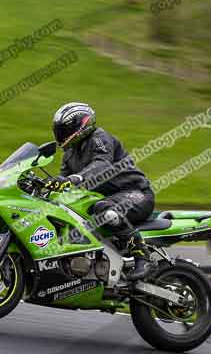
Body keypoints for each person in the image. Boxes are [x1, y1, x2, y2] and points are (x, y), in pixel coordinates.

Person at [49, 102, 155, 281]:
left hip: (136, 194)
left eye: (64, 129)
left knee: (105, 210)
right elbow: (64, 180)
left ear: (81, 125)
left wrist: (77, 179)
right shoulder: (70, 153)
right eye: (59, 130)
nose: (61, 135)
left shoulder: (99, 138)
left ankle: (142, 257)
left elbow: (102, 164)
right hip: (110, 198)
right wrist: (50, 186)